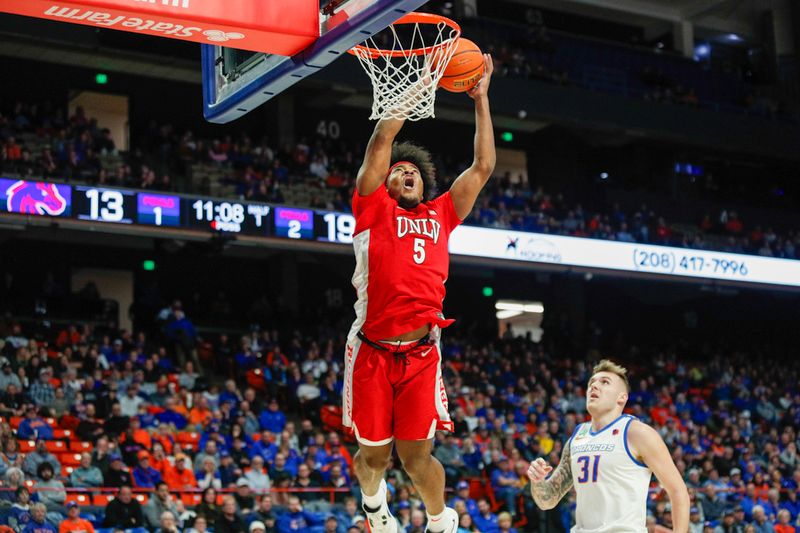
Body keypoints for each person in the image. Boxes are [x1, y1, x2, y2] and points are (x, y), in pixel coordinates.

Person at [343, 54, 496, 533]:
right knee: (373, 458)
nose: (405, 174)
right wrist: (414, 87)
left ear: (423, 182)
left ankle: (439, 519)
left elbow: (484, 165)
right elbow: (382, 140)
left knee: (415, 458)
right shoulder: (372, 210)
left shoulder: (440, 215)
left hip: (422, 354)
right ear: (385, 181)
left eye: (413, 172)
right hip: (371, 350)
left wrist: (481, 99)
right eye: (398, 171)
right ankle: (374, 510)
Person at [527, 360, 690, 532]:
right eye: (592, 382)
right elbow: (548, 500)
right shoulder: (577, 436)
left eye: (604, 382)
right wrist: (537, 482)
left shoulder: (637, 433)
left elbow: (679, 492)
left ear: (622, 397)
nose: (594, 386)